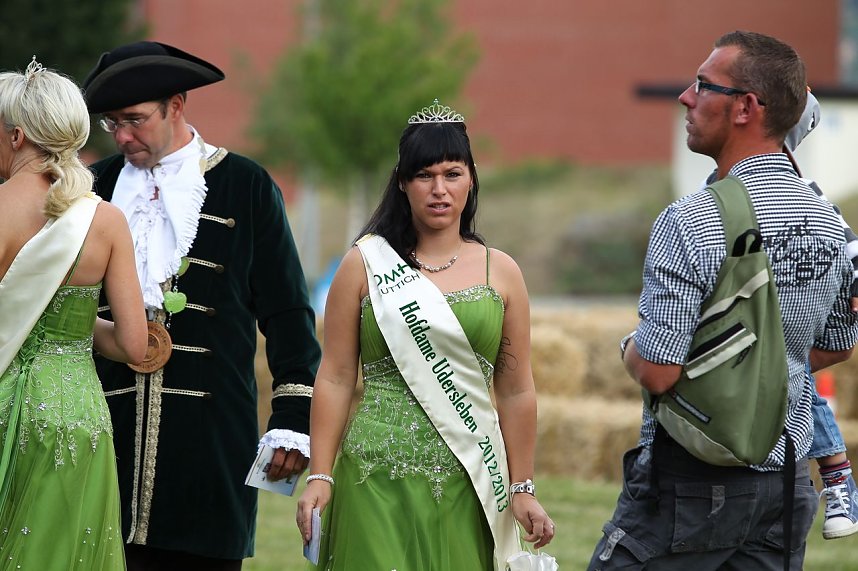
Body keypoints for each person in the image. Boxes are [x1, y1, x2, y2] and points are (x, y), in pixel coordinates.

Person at [588, 31, 858, 570]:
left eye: (703, 85)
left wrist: (629, 348)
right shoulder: (831, 223)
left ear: (745, 108)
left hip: (691, 484)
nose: (686, 97)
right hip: (785, 487)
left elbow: (658, 371)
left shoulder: (691, 219)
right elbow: (835, 347)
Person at [81, 41, 322, 570]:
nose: (122, 136)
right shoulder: (92, 188)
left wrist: (292, 417)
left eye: (135, 120)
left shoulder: (246, 185)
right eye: (112, 123)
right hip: (103, 434)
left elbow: (287, 314)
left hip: (212, 443)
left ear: (176, 105)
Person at [295, 100, 555, 570]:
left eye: (452, 174)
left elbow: (516, 390)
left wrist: (522, 487)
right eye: (424, 175)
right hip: (373, 475)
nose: (439, 190)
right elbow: (334, 376)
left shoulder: (502, 272)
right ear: (402, 182)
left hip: (471, 476)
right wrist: (320, 474)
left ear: (471, 179)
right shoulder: (364, 264)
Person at [0, 58, 147, 569]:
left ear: (17, 136)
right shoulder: (105, 220)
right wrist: (76, 327)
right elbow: (132, 345)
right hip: (73, 413)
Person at [704, 91, 858, 540]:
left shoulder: (802, 192)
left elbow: (846, 237)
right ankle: (837, 475)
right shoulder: (715, 189)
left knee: (786, 367)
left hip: (774, 313)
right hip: (743, 311)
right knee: (785, 370)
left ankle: (837, 475)